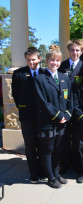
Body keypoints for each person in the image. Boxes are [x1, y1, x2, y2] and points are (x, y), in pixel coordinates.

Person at [34, 45, 72, 188]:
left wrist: (67, 115)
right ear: (47, 61)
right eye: (52, 60)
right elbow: (43, 102)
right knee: (48, 150)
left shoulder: (64, 78)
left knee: (57, 149)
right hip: (48, 121)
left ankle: (56, 174)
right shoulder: (40, 79)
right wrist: (58, 116)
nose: (55, 63)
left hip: (62, 121)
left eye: (57, 60)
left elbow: (70, 99)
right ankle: (50, 177)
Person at [12, 47, 45, 183]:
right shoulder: (19, 74)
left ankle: (43, 170)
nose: (31, 62)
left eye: (33, 59)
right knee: (30, 145)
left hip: (43, 116)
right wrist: (24, 108)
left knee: (43, 145)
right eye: (28, 60)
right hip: (27, 117)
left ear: (39, 59)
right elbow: (16, 95)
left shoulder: (45, 73)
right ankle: (34, 173)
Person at [58, 39, 83, 174]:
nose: (75, 52)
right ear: (69, 51)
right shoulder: (61, 66)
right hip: (64, 106)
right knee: (64, 138)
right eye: (72, 50)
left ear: (81, 51)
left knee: (77, 139)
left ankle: (77, 165)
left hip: (79, 107)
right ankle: (65, 164)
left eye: (77, 50)